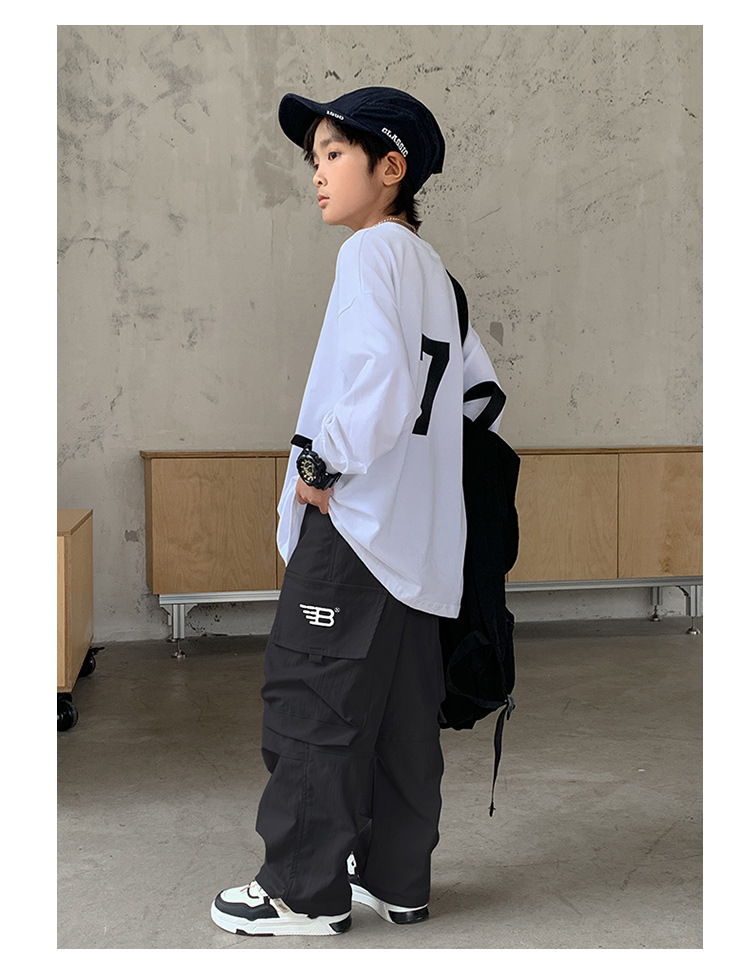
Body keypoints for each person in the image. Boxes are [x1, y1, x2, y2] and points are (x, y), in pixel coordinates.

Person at [211, 86, 505, 937]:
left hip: (356, 531)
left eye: (335, 154)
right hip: (420, 544)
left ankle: (301, 891)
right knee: (402, 718)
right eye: (315, 158)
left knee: (314, 699)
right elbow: (481, 400)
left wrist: (320, 464)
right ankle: (396, 877)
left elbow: (379, 381)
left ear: (391, 167)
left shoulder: (370, 254)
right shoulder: (436, 275)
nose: (318, 173)